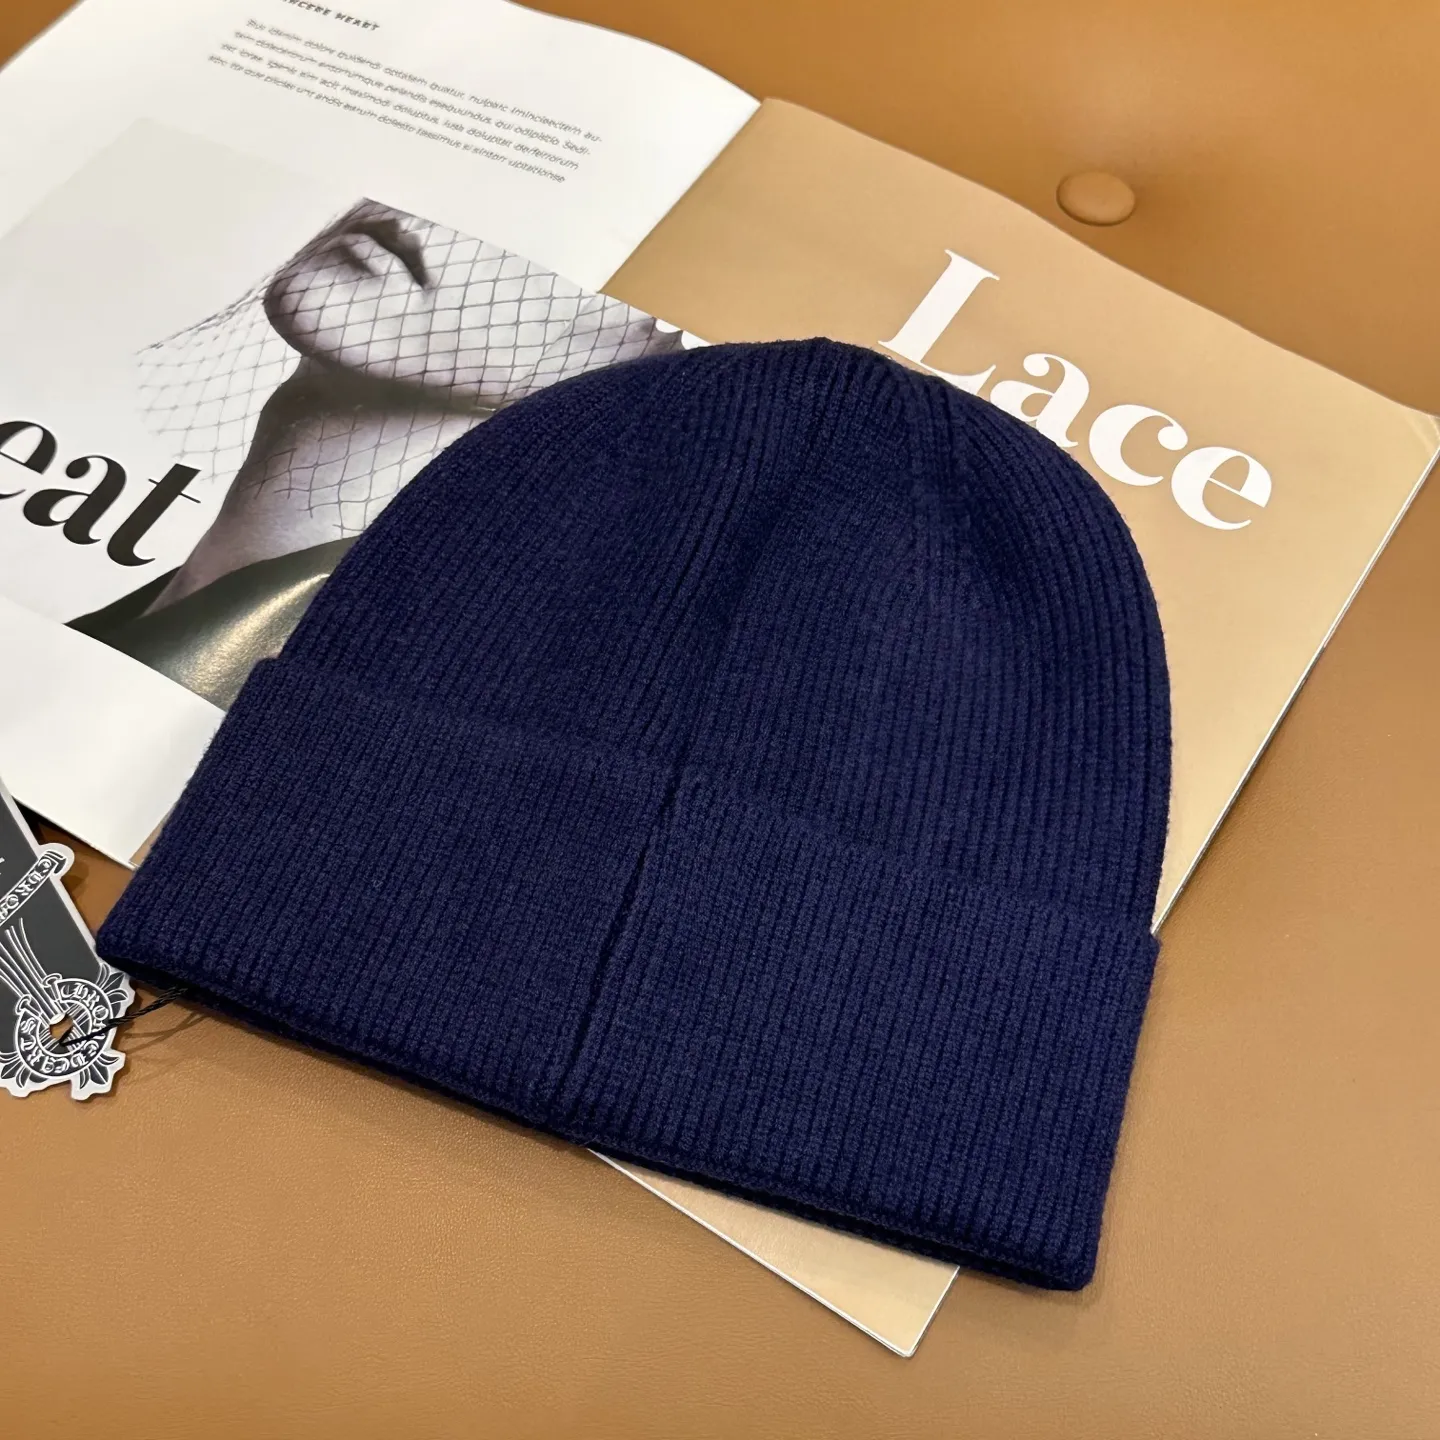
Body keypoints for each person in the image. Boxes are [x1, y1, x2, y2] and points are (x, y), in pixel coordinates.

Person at [71, 199, 684, 705]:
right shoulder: (163, 626)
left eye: (579, 246)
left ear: (658, 352)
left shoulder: (371, 681)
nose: (423, 215)